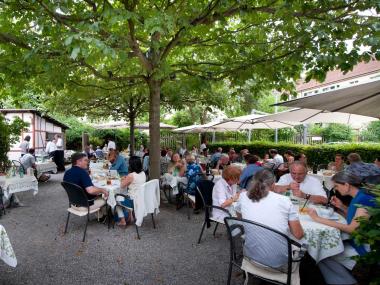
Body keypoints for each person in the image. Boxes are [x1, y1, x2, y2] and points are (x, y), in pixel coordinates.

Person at [307, 171, 376, 285]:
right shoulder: (360, 195)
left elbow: (352, 228)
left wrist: (318, 219)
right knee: (323, 249)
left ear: (347, 185)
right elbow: (357, 218)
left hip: (365, 247)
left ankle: (347, 281)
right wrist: (341, 206)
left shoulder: (364, 200)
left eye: (337, 186)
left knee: (322, 252)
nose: (336, 190)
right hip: (358, 240)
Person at [235, 169, 304, 269]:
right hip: (279, 265)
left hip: (250, 258)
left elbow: (240, 218)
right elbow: (299, 235)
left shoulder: (243, 196)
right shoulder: (284, 201)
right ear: (273, 184)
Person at [116, 156, 147, 226]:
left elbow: (121, 186)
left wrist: (123, 179)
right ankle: (131, 216)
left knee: (116, 198)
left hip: (133, 201)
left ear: (131, 165)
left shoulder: (131, 176)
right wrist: (126, 178)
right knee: (129, 193)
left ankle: (122, 220)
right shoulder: (143, 173)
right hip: (141, 199)